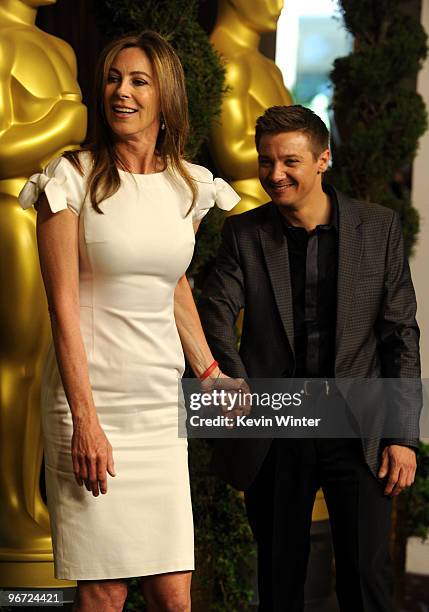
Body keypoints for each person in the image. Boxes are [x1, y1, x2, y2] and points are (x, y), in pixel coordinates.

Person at [19, 31, 240, 612]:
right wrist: (85, 422)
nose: (122, 91)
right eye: (114, 78)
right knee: (105, 591)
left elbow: (170, 284)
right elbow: (61, 307)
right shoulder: (69, 178)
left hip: (156, 405)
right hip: (90, 403)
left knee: (174, 591)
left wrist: (210, 371)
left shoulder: (189, 186)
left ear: (165, 96)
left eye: (139, 80)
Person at [198, 105, 421, 611]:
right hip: (278, 423)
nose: (275, 175)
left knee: (366, 580)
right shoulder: (244, 234)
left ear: (323, 160)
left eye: (290, 161)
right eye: (266, 162)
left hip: (357, 425)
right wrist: (231, 384)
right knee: (278, 578)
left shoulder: (378, 228)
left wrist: (402, 437)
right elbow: (214, 310)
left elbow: (400, 336)